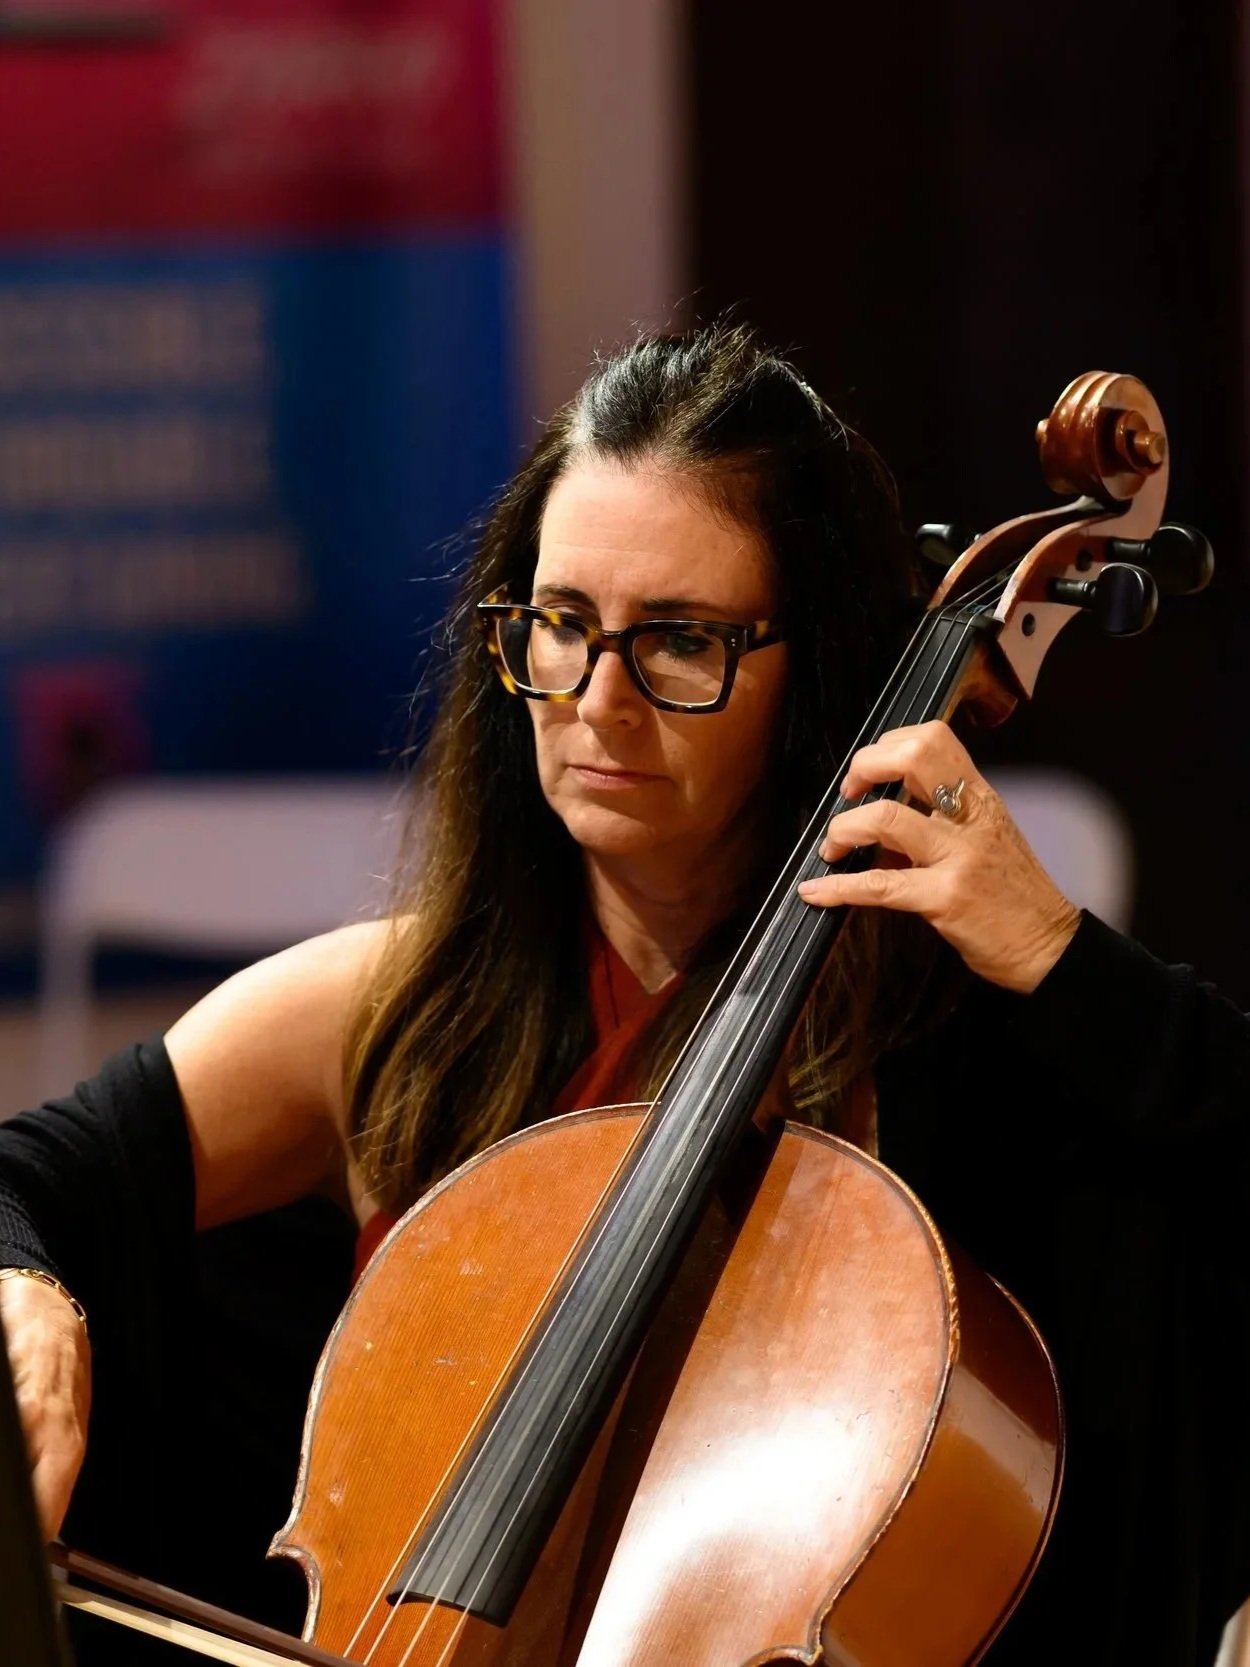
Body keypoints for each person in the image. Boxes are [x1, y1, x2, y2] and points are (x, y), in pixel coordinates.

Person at [1, 321, 1248, 1667]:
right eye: (559, 625)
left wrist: (1066, 962)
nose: (596, 698)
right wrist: (36, 1299)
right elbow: (32, 1180)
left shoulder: (955, 1056)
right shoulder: (396, 1008)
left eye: (680, 644)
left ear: (814, 673)